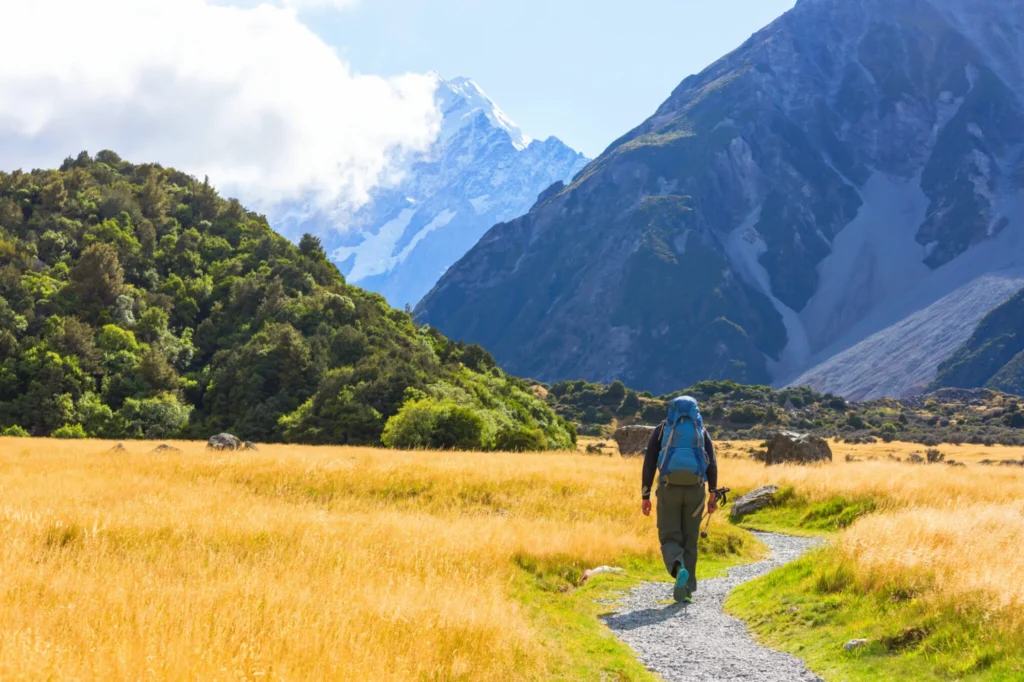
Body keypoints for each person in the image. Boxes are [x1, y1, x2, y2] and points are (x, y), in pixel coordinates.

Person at [641, 396, 719, 604]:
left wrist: (645, 495)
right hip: (695, 490)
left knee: (669, 537)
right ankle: (688, 590)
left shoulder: (662, 429)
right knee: (689, 539)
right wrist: (713, 492)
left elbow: (649, 463)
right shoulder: (701, 431)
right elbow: (711, 464)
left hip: (669, 489)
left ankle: (679, 569)